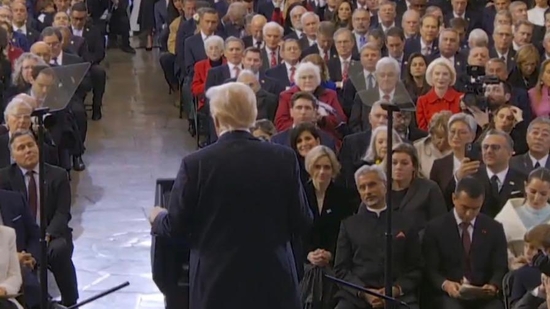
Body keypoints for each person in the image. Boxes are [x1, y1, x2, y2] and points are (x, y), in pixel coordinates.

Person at [149, 82, 312, 309]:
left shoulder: (196, 164)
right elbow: (302, 221)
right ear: (253, 116)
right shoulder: (283, 158)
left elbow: (176, 226)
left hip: (216, 286)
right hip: (273, 284)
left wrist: (158, 218)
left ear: (216, 120)